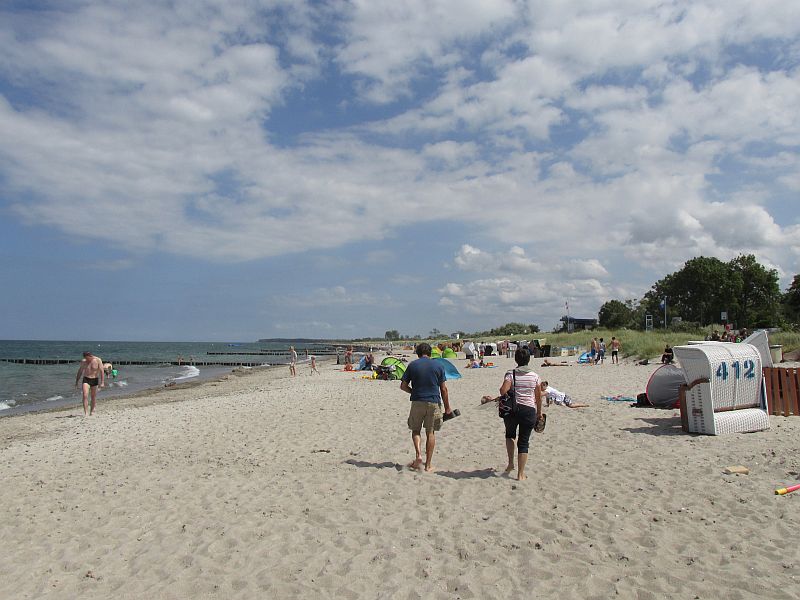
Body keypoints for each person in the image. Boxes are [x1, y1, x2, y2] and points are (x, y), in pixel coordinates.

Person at [481, 347, 543, 481]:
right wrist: (539, 413)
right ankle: (521, 474)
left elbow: (503, 390)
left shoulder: (510, 374)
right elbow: (538, 397)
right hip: (529, 410)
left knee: (510, 435)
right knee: (524, 441)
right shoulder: (535, 377)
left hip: (512, 410)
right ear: (529, 360)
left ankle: (510, 464)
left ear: (516, 359)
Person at [400, 343, 455, 472]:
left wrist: (413, 392)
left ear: (418, 353)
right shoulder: (438, 366)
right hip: (433, 401)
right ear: (430, 353)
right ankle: (428, 465)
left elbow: (403, 386)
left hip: (417, 401)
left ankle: (418, 455)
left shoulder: (412, 365)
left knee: (415, 430)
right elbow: (444, 389)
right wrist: (447, 408)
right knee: (430, 432)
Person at [75, 351, 105, 416]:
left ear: (90, 356)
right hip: (86, 379)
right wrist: (77, 381)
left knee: (93, 396)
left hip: (94, 379)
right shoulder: (84, 361)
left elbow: (102, 371)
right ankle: (86, 412)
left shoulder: (98, 360)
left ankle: (92, 411)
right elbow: (80, 371)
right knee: (85, 395)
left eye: (87, 358)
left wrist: (102, 382)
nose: (86, 360)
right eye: (85, 358)